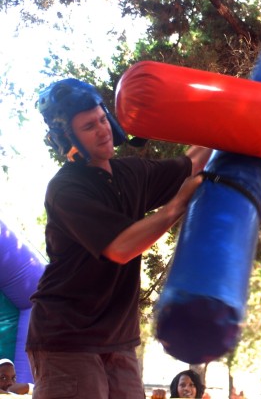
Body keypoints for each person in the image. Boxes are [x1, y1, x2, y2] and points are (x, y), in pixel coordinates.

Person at [26, 78, 212, 399]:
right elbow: (121, 247)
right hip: (67, 340)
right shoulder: (67, 189)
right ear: (68, 140)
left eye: (102, 119)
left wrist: (226, 124)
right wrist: (175, 208)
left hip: (119, 341)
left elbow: (192, 164)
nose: (103, 130)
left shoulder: (132, 172)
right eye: (88, 127)